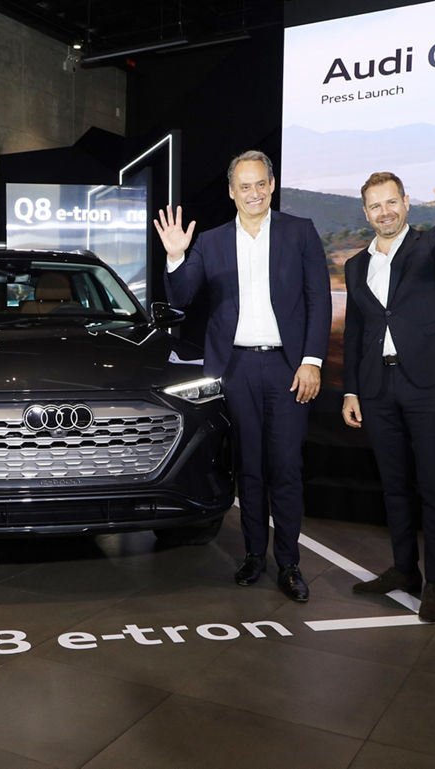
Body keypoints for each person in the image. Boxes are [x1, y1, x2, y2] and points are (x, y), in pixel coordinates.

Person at [154, 150, 331, 600]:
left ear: (271, 186)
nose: (254, 193)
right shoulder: (211, 241)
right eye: (244, 186)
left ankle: (289, 564)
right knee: (249, 467)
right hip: (235, 370)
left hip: (289, 368)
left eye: (260, 184)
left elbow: (319, 299)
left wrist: (312, 360)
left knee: (286, 467)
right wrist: (176, 257)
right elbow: (182, 296)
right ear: (231, 191)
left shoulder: (299, 232)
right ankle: (254, 555)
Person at [340, 165, 435, 622]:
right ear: (366, 212)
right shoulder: (356, 265)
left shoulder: (430, 245)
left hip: (430, 384)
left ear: (405, 203)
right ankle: (404, 569)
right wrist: (351, 391)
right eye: (375, 206)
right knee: (394, 485)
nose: (384, 211)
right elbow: (356, 333)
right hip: (377, 387)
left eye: (391, 202)